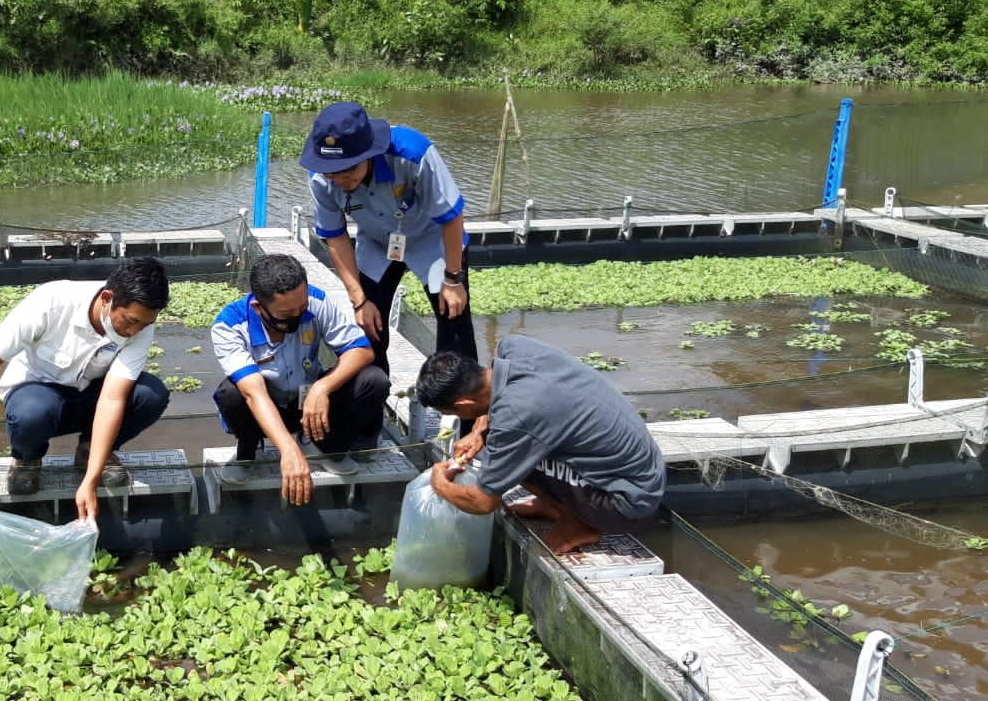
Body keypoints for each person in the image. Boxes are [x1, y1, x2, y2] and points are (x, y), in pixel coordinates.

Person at [0, 257, 171, 521]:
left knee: (151, 394)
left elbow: (112, 397)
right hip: (38, 397)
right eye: (130, 321)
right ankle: (27, 460)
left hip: (90, 396)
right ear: (107, 298)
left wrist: (91, 479)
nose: (134, 331)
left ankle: (89, 451)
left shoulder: (141, 325)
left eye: (143, 325)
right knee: (32, 412)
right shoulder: (52, 301)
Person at [414, 337, 666, 553]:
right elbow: (493, 397)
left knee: (501, 454)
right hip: (640, 467)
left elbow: (482, 502)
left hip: (628, 500)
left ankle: (578, 524)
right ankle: (557, 505)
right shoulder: (514, 348)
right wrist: (480, 428)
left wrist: (441, 485)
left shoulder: (515, 416)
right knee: (499, 444)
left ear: (464, 406)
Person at [302, 101, 477, 373]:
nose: (339, 180)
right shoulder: (320, 179)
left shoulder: (412, 153)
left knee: (453, 325)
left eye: (348, 170)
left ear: (369, 155)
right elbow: (335, 237)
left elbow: (451, 216)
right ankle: (375, 406)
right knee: (369, 329)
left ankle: (469, 413)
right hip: (376, 244)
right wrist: (359, 300)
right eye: (331, 173)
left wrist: (453, 279)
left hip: (431, 242)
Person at [210, 254, 391, 506]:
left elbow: (361, 350)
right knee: (230, 393)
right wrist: (288, 450)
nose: (298, 316)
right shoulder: (229, 325)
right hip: (265, 409)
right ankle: (247, 453)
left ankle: (328, 448)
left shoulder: (316, 300)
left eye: (302, 308)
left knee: (374, 380)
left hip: (309, 405)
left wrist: (322, 387)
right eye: (286, 314)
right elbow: (254, 393)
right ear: (258, 308)